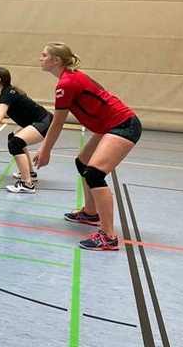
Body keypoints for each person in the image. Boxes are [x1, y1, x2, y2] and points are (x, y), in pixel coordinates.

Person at [33, 42, 142, 251]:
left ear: (56, 60)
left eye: (44, 55)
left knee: (94, 174)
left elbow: (57, 122)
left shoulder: (66, 83)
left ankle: (108, 236)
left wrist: (45, 150)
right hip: (109, 125)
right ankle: (91, 213)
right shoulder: (72, 77)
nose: (40, 58)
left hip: (123, 125)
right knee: (82, 163)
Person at [0, 67, 53, 193]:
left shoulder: (6, 95)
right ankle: (30, 174)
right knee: (13, 137)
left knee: (15, 143)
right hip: (39, 120)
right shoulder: (8, 91)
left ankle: (27, 184)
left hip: (43, 122)